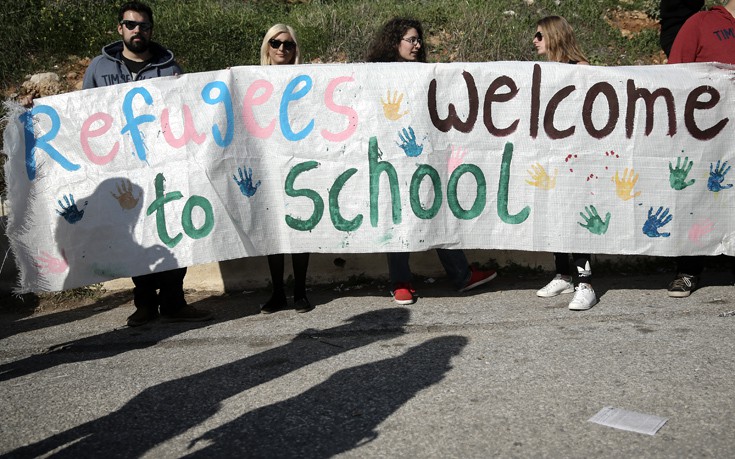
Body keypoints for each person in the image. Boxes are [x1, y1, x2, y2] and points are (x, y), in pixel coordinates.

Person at [83, 1, 211, 326]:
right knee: (135, 234)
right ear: (120, 28)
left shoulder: (170, 68)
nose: (137, 30)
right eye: (130, 24)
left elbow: (189, 110)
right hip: (122, 170)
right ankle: (144, 304)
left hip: (165, 167)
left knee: (173, 231)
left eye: (143, 25)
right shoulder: (99, 68)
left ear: (151, 30)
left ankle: (174, 301)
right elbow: (79, 114)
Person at [365, 18, 497, 305]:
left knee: (437, 211)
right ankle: (400, 282)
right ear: (394, 42)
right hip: (393, 157)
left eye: (418, 40)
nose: (417, 45)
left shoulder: (425, 74)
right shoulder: (377, 76)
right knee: (399, 215)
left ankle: (461, 275)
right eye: (411, 40)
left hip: (424, 155)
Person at [666, 0, 735, 297]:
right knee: (699, 199)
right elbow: (674, 76)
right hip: (707, 135)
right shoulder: (701, 22)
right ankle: (688, 270)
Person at [532, 16, 598, 311]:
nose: (534, 41)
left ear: (554, 37)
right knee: (554, 215)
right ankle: (563, 275)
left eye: (539, 35)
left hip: (578, 158)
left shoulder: (581, 70)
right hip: (551, 157)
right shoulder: (543, 72)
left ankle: (586, 283)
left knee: (577, 217)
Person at [258, 24, 314, 314]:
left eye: (288, 44)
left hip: (298, 161)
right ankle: (278, 292)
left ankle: (300, 291)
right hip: (267, 162)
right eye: (276, 43)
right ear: (267, 47)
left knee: (300, 226)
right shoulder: (251, 80)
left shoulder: (306, 80)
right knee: (273, 231)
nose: (282, 48)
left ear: (295, 50)